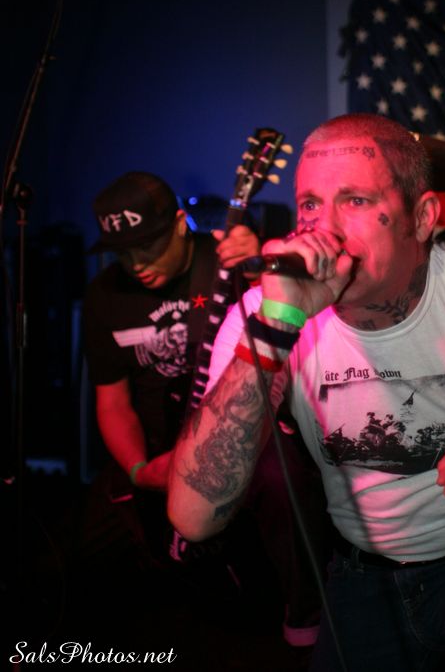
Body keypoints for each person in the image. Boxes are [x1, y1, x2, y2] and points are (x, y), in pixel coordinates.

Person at [168, 114, 445, 672]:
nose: (324, 229)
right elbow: (194, 518)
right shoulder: (267, 317)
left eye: (354, 200)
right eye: (310, 205)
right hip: (362, 570)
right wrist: (276, 328)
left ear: (421, 217)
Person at [82, 170, 324, 646]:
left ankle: (306, 616)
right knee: (85, 562)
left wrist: (257, 264)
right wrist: (138, 470)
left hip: (234, 436)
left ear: (180, 223)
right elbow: (112, 401)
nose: (136, 264)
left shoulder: (226, 263)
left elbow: (279, 309)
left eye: (146, 247)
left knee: (282, 479)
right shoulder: (105, 293)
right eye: (123, 252)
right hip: (154, 453)